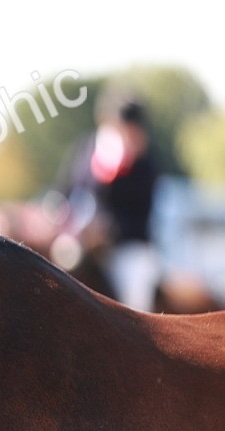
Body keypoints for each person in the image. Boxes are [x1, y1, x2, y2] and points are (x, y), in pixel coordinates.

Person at [57, 92, 162, 311]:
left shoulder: (144, 166)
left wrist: (107, 232)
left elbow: (141, 219)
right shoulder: (87, 150)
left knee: (135, 300)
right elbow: (66, 190)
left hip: (127, 248)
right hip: (80, 238)